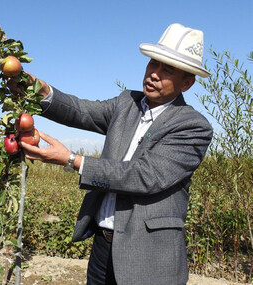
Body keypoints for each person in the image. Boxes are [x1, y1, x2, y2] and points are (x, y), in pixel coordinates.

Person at [12, 23, 213, 285]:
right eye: (153, 64)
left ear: (187, 83)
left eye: (167, 70)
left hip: (148, 257)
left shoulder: (192, 126)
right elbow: (80, 111)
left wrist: (72, 160)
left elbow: (144, 176)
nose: (154, 74)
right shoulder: (126, 103)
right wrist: (35, 88)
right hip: (103, 249)